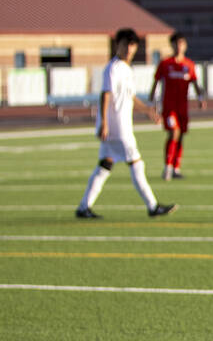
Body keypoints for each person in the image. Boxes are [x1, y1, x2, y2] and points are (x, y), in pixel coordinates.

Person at [75, 28, 177, 219]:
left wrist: (147, 110)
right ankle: (152, 206)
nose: (128, 49)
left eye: (132, 45)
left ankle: (83, 207)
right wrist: (104, 123)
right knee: (137, 163)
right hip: (117, 128)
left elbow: (129, 96)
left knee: (105, 165)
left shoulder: (126, 69)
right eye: (125, 45)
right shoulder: (113, 68)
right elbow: (105, 94)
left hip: (119, 126)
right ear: (117, 45)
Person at [149, 31, 206, 179]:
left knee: (181, 136)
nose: (179, 46)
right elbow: (156, 82)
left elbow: (194, 82)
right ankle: (167, 167)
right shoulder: (165, 63)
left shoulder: (189, 65)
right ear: (172, 45)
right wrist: (152, 103)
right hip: (169, 107)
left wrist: (200, 97)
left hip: (182, 107)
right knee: (174, 133)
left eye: (181, 43)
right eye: (176, 43)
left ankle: (176, 168)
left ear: (185, 45)